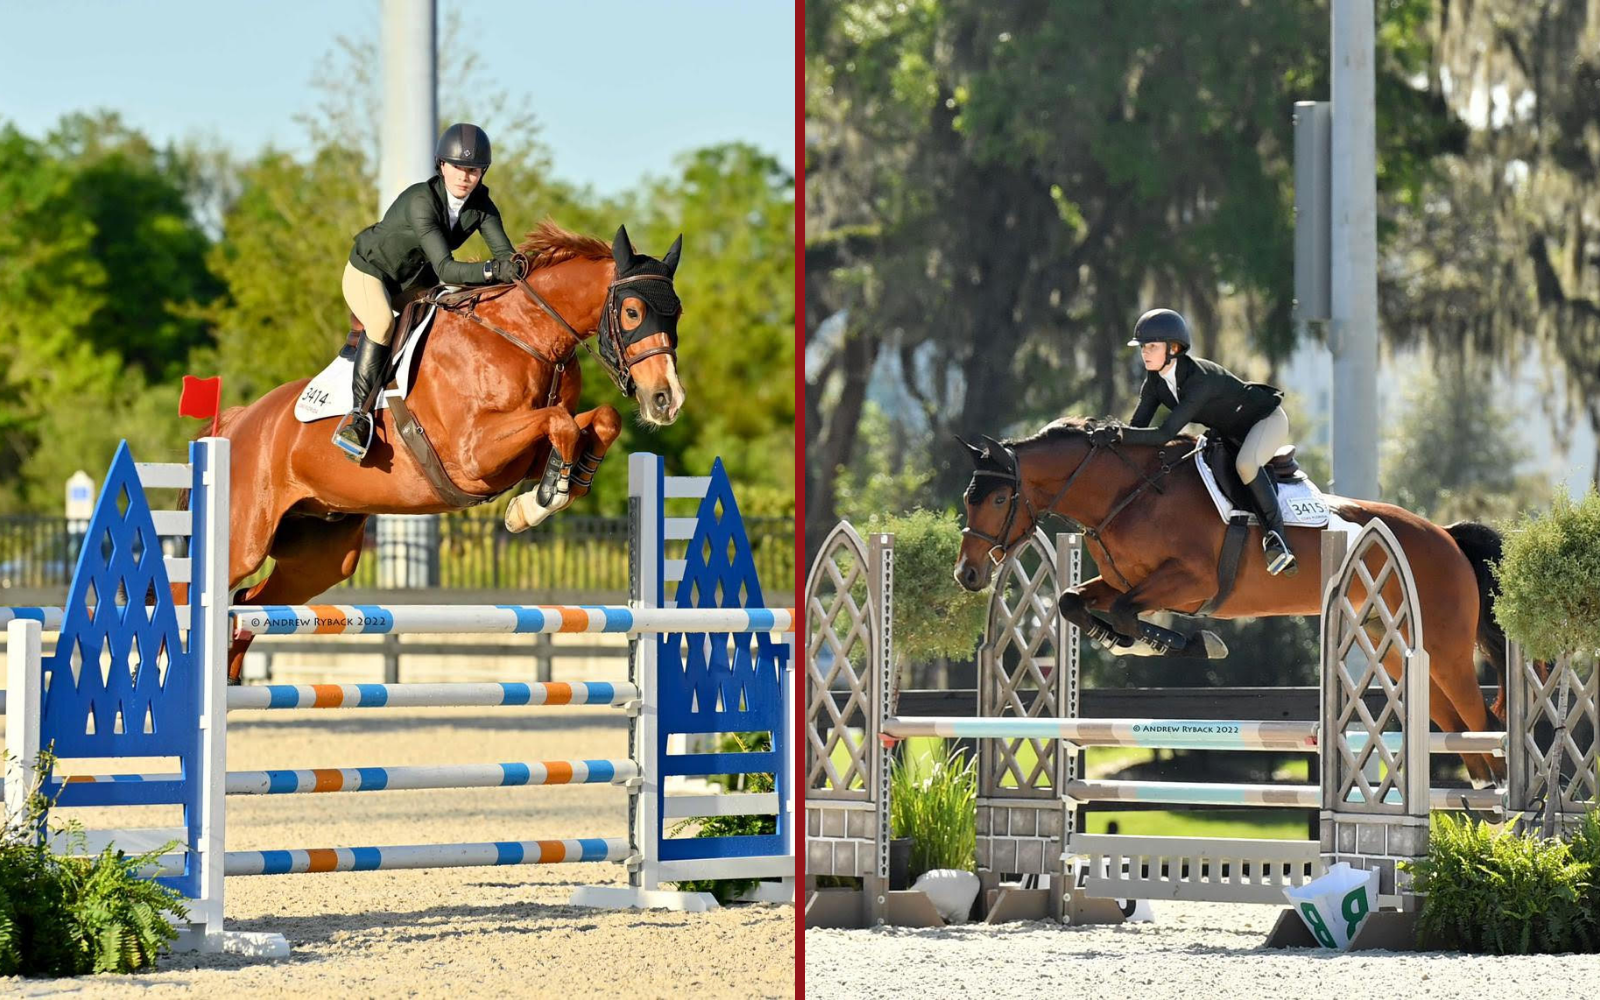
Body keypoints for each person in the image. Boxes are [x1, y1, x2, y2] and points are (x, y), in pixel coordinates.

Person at [334, 122, 522, 461]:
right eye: (459, 168)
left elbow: (506, 256)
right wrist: (493, 271)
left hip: (415, 282)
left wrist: (520, 269)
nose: (466, 177)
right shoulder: (422, 200)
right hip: (370, 272)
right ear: (442, 165)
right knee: (380, 324)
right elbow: (448, 268)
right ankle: (357, 418)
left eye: (475, 171)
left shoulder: (482, 204)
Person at [1094, 308, 1297, 576]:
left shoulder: (1199, 380)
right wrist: (1112, 437)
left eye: (1152, 346)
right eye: (1143, 347)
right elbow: (1138, 428)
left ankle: (1277, 541)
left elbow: (1164, 434)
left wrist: (1120, 434)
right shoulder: (1154, 383)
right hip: (1228, 431)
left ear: (1174, 348)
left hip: (1264, 420)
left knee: (1246, 464)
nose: (1144, 353)